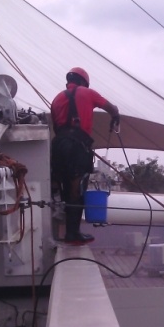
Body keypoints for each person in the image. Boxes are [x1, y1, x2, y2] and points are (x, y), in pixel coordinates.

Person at [50, 67, 120, 245]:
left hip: (58, 145)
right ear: (84, 82)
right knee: (77, 188)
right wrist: (116, 115)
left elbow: (56, 127)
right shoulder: (88, 93)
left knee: (62, 186)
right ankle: (73, 233)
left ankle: (64, 229)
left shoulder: (56, 99)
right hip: (77, 146)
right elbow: (111, 108)